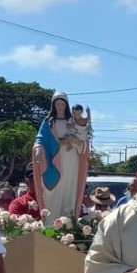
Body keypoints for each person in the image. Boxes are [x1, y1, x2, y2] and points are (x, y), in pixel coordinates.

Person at [32, 92, 90, 221]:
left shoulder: (73, 122)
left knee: (69, 191)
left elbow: (83, 141)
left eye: (62, 103)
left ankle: (67, 224)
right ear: (53, 105)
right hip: (52, 163)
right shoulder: (48, 123)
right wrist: (38, 149)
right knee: (52, 194)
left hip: (71, 162)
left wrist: (75, 141)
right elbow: (40, 139)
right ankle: (51, 224)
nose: (59, 106)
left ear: (66, 105)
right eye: (57, 104)